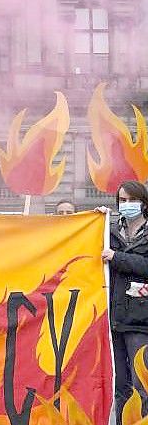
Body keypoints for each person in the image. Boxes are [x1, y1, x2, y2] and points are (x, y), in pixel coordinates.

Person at [100, 181, 148, 423]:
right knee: (121, 386)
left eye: (132, 200)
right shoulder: (110, 232)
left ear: (144, 202)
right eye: (122, 201)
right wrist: (94, 224)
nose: (127, 205)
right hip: (115, 318)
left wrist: (117, 258)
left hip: (141, 321)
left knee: (143, 384)